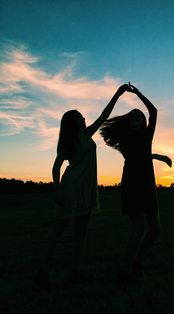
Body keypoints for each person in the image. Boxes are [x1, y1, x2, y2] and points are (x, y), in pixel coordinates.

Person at [35, 83, 130, 290]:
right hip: (70, 188)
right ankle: (43, 271)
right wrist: (57, 189)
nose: (84, 118)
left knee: (81, 233)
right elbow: (56, 167)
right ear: (72, 121)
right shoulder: (67, 141)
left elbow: (104, 115)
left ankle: (75, 271)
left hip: (87, 189)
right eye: (80, 116)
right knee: (58, 230)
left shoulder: (87, 134)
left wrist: (118, 93)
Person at [100, 84, 164, 284]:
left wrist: (137, 93)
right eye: (133, 116)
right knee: (138, 228)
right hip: (132, 183)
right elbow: (104, 118)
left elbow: (153, 111)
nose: (137, 118)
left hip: (147, 184)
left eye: (139, 117)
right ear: (128, 122)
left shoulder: (147, 135)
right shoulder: (125, 137)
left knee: (155, 229)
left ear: (144, 122)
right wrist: (119, 94)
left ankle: (136, 264)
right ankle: (125, 270)